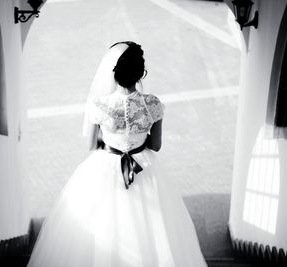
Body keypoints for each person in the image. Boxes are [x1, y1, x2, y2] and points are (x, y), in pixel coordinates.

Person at [27, 41, 207, 267]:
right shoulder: (152, 104)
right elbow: (156, 145)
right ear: (140, 73)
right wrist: (137, 140)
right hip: (144, 166)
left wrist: (113, 138)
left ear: (114, 72)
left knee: (103, 227)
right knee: (152, 229)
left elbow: (92, 145)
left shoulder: (100, 105)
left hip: (106, 166)